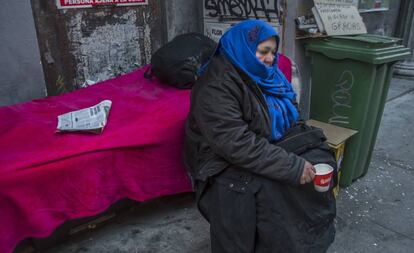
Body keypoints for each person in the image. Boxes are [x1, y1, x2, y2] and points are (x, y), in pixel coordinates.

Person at [184, 19, 336, 253]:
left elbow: (292, 113)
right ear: (243, 48)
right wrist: (293, 166)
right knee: (264, 190)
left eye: (273, 52)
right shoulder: (215, 87)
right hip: (219, 158)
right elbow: (236, 144)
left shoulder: (268, 75)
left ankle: (300, 240)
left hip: (262, 141)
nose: (270, 59)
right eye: (263, 52)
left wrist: (299, 161)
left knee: (318, 155)